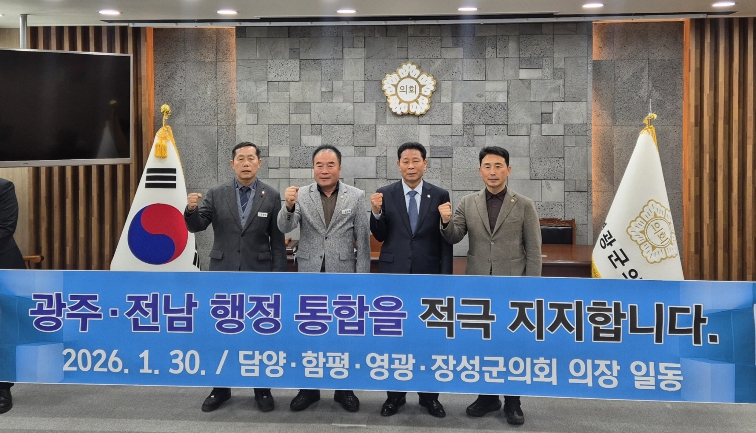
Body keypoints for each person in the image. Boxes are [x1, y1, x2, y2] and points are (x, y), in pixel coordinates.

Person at [438, 146, 542, 426]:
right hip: (479, 285)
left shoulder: (524, 204)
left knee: (511, 343)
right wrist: (446, 221)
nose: (493, 171)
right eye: (487, 166)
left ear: (508, 170)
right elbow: (454, 236)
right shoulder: (468, 202)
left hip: (513, 286)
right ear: (480, 171)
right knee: (482, 342)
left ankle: (513, 401)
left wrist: (532, 289)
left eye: (498, 166)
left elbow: (534, 250)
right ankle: (487, 396)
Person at [185, 141, 286, 413]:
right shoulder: (216, 194)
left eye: (251, 158)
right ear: (232, 164)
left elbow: (278, 242)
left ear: (259, 163)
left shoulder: (271, 195)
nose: (246, 163)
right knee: (222, 333)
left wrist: (277, 278)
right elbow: (198, 225)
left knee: (259, 334)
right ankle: (221, 388)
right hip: (223, 274)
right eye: (240, 158)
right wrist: (191, 210)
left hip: (259, 276)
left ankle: (262, 389)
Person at [277, 144, 370, 413]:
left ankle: (344, 390)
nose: (325, 170)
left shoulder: (355, 196)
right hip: (310, 275)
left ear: (339, 168)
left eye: (330, 165)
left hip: (344, 276)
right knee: (309, 334)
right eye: (319, 165)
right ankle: (309, 389)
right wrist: (288, 206)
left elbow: (363, 241)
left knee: (343, 335)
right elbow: (285, 226)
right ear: (313, 168)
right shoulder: (301, 195)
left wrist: (362, 280)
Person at [369, 142, 451, 418]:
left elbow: (445, 241)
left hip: (429, 276)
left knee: (428, 337)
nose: (411, 166)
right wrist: (376, 213)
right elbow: (380, 235)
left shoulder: (439, 194)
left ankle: (430, 397)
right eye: (406, 161)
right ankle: (395, 396)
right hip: (394, 277)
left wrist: (445, 279)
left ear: (425, 164)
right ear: (398, 165)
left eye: (416, 160)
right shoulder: (385, 194)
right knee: (395, 337)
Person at [0, 178, 26, 414]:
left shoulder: (4, 187)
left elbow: (6, 228)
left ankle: (2, 387)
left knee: (4, 329)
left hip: (3, 268)